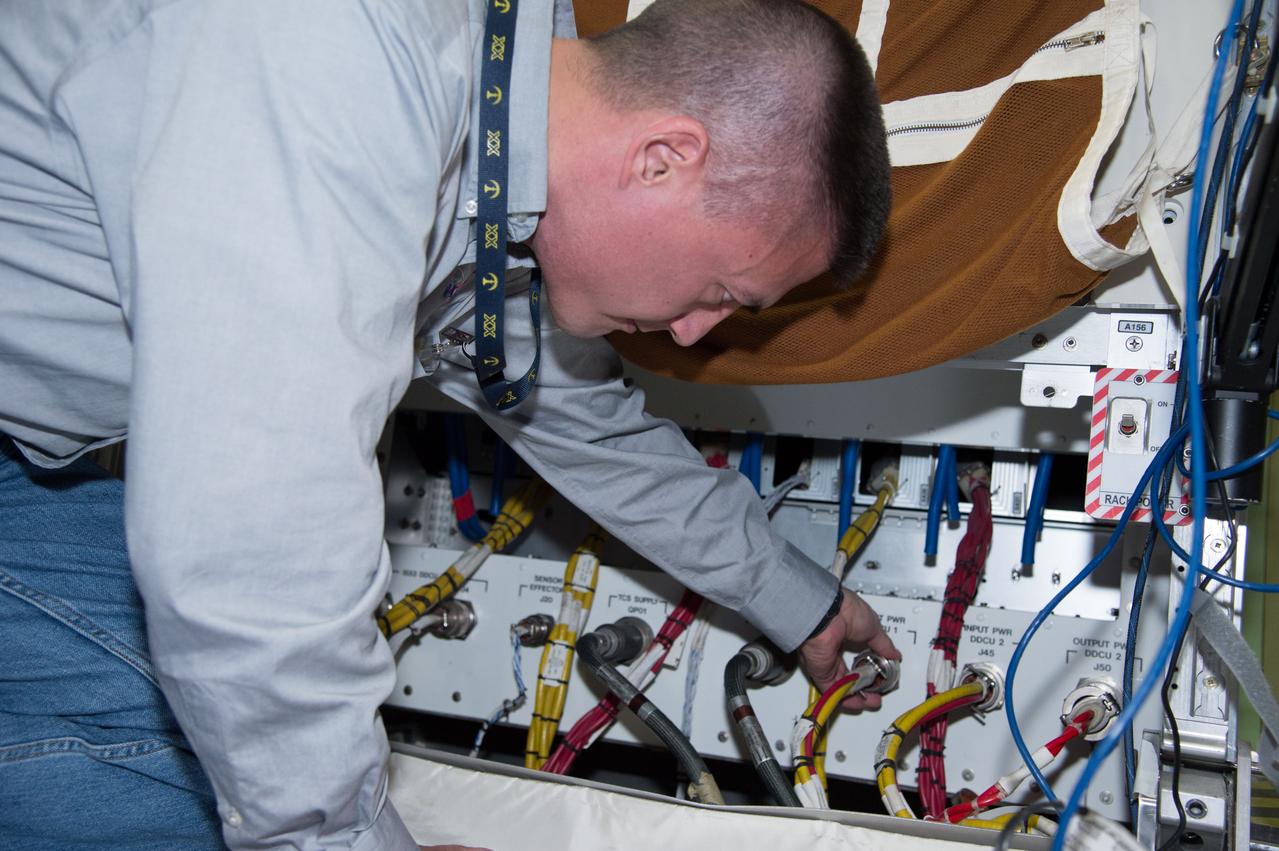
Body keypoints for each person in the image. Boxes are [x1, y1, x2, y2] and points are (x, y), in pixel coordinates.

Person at [0, 0, 894, 847]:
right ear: (661, 157)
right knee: (203, 783)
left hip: (29, 467)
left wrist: (798, 597)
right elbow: (252, 541)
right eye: (721, 293)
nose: (696, 331)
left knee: (233, 739)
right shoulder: (340, 62)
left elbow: (571, 412)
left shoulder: (498, 110)